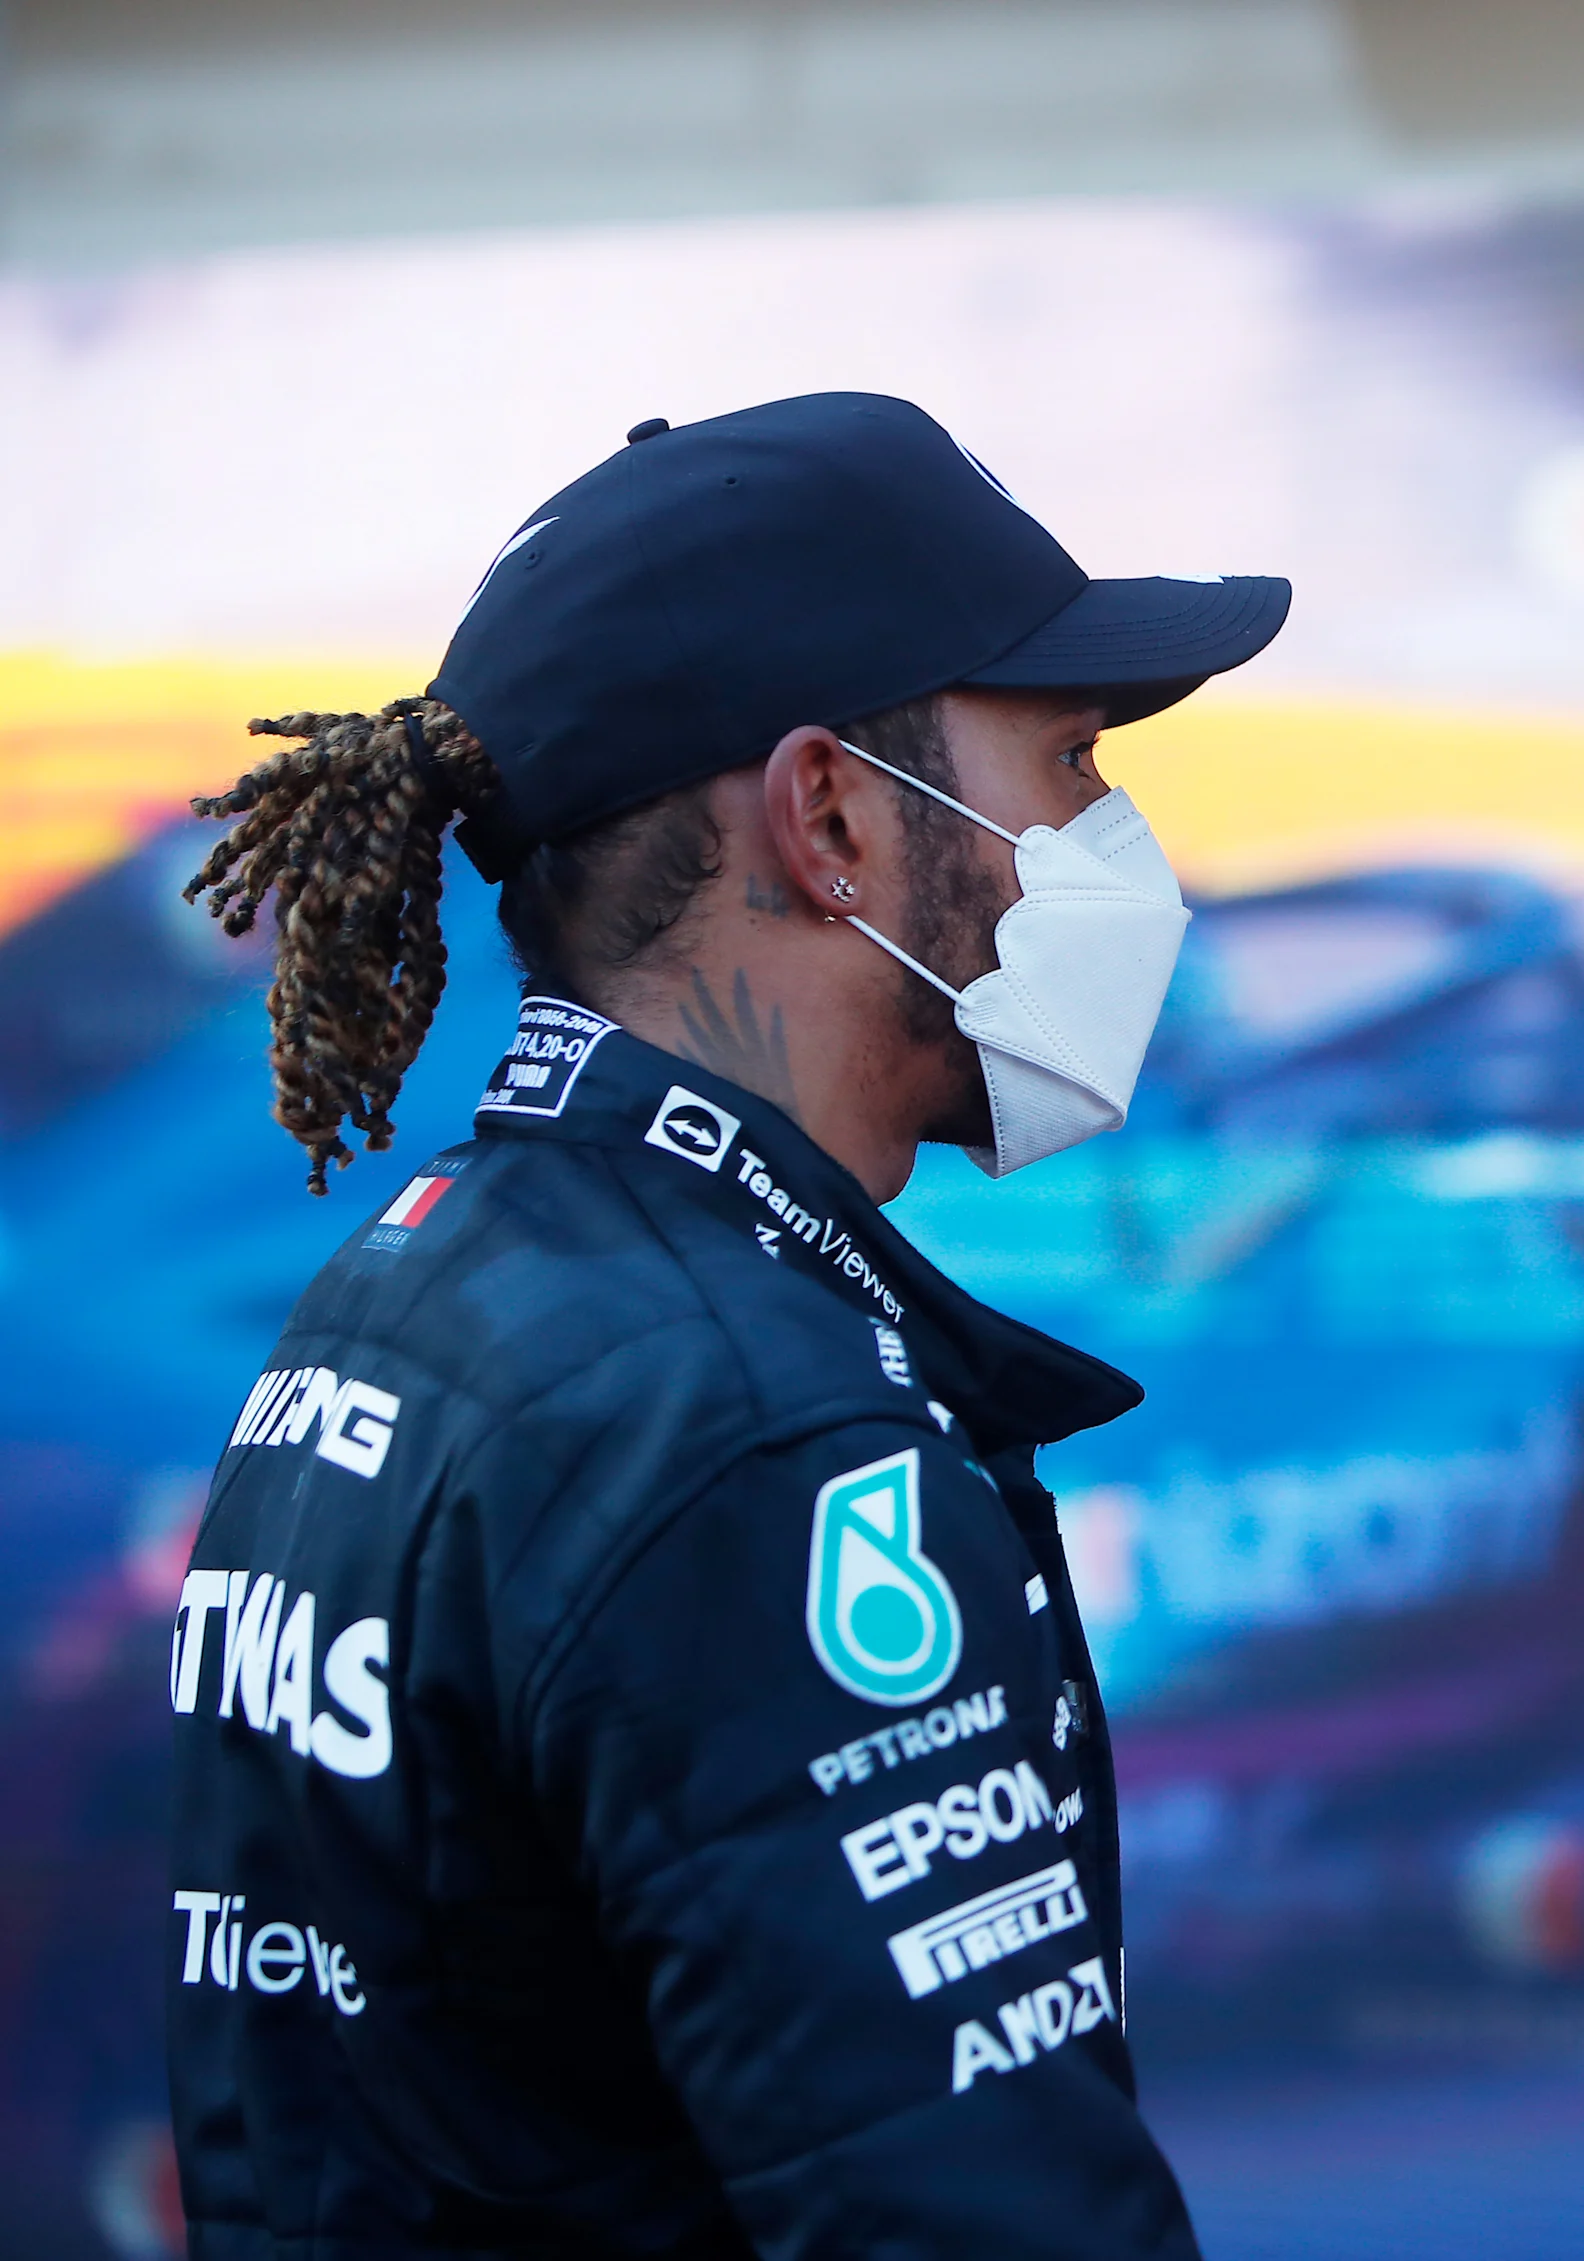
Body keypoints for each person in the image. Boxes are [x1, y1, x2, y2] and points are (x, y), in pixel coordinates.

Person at [164, 393, 1288, 2258]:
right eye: (1073, 759)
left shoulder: (412, 1295)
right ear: (832, 814)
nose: (1112, 837)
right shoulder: (760, 1436)